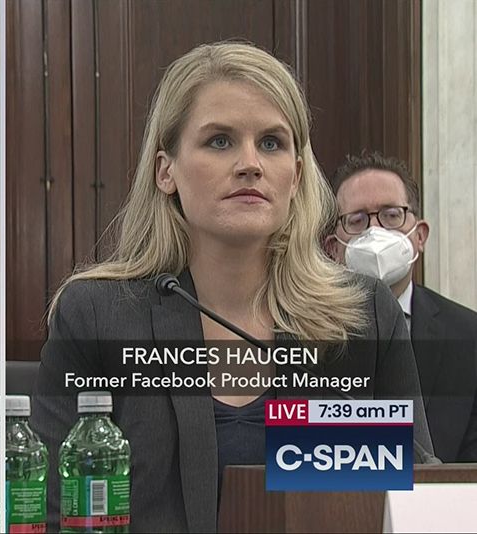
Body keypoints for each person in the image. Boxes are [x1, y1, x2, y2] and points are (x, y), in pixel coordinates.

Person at [30, 42, 433, 532]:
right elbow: (45, 515)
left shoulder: (361, 318)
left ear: (296, 176)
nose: (250, 164)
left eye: (271, 143)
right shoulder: (96, 316)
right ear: (166, 171)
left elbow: (417, 503)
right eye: (220, 141)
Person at [324, 152, 477, 462]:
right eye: (357, 220)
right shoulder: (303, 335)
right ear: (333, 248)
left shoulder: (468, 335)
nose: (376, 231)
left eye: (392, 215)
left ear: (419, 236)